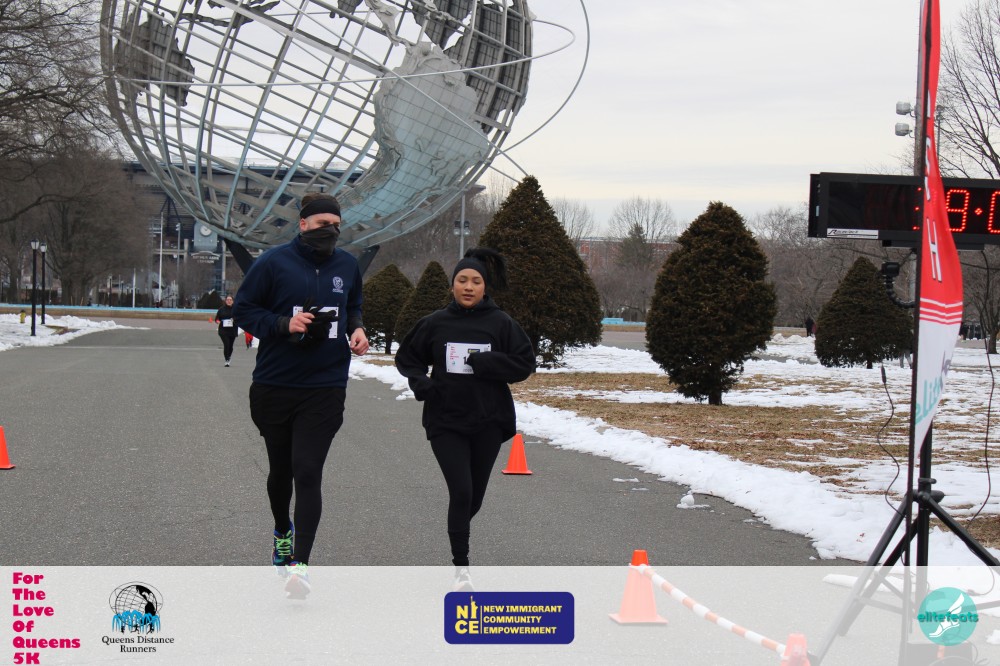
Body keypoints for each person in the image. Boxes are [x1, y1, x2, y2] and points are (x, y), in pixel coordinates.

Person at [233, 192, 369, 598]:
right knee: (281, 471)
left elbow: (354, 304)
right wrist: (282, 324)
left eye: (336, 225)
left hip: (325, 386)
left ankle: (301, 566)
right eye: (322, 224)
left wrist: (357, 328)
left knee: (308, 470)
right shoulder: (273, 262)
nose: (330, 231)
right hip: (275, 384)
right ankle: (282, 531)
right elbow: (244, 309)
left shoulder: (347, 265)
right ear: (303, 224)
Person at [394, 247, 535, 591]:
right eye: (462, 280)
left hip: (488, 420)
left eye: (475, 281)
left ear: (485, 287)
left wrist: (486, 363)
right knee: (461, 491)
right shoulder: (435, 322)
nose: (468, 287)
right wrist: (420, 381)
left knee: (474, 499)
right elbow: (407, 358)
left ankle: (457, 529)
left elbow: (524, 364)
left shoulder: (501, 323)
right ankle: (461, 569)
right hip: (446, 420)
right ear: (452, 285)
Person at [214, 295, 238, 366]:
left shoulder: (236, 309)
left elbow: (240, 318)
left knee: (230, 346)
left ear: (233, 301)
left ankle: (229, 356)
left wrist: (235, 319)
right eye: (227, 300)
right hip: (223, 330)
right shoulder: (221, 309)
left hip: (232, 330)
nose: (229, 301)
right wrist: (218, 322)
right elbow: (217, 319)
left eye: (230, 300)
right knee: (226, 344)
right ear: (225, 301)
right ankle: (226, 359)